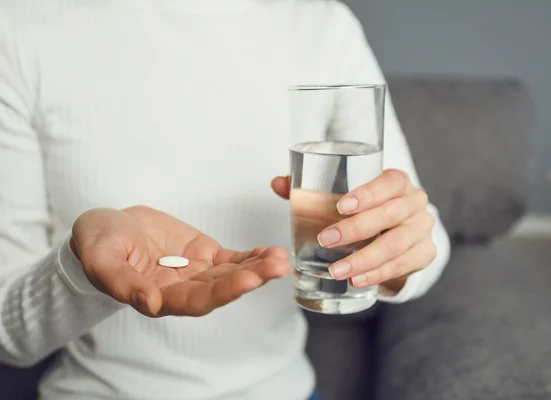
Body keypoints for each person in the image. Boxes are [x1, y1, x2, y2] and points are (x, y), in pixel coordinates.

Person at [0, 0, 451, 399]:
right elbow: (6, 335)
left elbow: (423, 232)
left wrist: (398, 250)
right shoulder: (19, 29)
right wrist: (81, 265)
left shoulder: (323, 26)